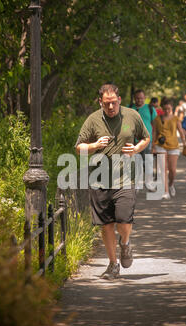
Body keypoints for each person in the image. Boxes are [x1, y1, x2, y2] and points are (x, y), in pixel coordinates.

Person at [75, 83, 150, 280]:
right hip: (100, 180)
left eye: (114, 103)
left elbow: (145, 138)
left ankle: (125, 243)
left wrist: (136, 149)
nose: (110, 107)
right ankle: (112, 264)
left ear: (119, 100)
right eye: (106, 103)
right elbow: (78, 147)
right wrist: (94, 145)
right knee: (106, 224)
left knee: (124, 221)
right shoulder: (92, 120)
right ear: (100, 102)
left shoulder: (132, 116)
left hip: (126, 179)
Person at [152, 97, 186, 199]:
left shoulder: (175, 119)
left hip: (173, 146)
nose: (167, 111)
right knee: (163, 169)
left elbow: (180, 131)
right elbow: (155, 132)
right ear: (162, 108)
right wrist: (153, 145)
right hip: (160, 146)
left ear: (171, 108)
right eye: (165, 109)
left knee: (172, 170)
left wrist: (184, 142)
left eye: (169, 109)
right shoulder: (157, 119)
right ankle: (165, 191)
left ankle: (171, 184)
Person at [131, 89, 158, 191]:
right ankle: (137, 186)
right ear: (134, 98)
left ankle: (149, 184)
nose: (139, 100)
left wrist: (154, 144)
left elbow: (155, 127)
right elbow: (125, 125)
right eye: (137, 98)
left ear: (145, 98)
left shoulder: (150, 109)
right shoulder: (130, 108)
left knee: (148, 163)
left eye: (141, 98)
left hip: (148, 141)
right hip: (134, 142)